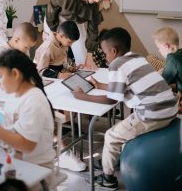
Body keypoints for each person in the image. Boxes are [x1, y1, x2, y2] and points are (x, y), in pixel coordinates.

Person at [72, 27, 178, 190]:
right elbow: (124, 86)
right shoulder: (137, 58)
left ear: (113, 51)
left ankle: (108, 179)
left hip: (154, 114)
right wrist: (101, 85)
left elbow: (110, 100)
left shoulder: (116, 65)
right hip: (170, 108)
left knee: (111, 136)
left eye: (105, 52)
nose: (105, 56)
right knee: (124, 128)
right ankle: (113, 159)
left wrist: (82, 96)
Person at [0, 49, 55, 170]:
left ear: (15, 74)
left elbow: (27, 146)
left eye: (0, 76)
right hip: (13, 160)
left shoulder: (34, 100)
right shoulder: (13, 95)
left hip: (36, 168)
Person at [34, 21, 87, 172]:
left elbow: (61, 63)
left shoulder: (62, 44)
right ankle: (62, 147)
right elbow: (41, 71)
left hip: (58, 81)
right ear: (61, 35)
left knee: (75, 95)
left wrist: (72, 68)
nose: (69, 45)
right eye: (69, 42)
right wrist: (59, 74)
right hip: (47, 84)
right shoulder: (47, 47)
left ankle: (66, 129)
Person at [44, 0, 113, 66]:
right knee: (53, 53)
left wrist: (89, 55)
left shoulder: (97, 5)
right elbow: (51, 10)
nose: (97, 1)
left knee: (82, 57)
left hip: (76, 23)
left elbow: (93, 31)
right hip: (55, 18)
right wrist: (54, 32)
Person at [0, 22, 38, 93]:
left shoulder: (23, 51)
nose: (28, 50)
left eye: (30, 48)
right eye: (26, 47)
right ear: (16, 40)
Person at [153, 26, 182, 114]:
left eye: (159, 48)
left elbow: (162, 82)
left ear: (166, 46)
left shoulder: (172, 59)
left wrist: (157, 75)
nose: (158, 51)